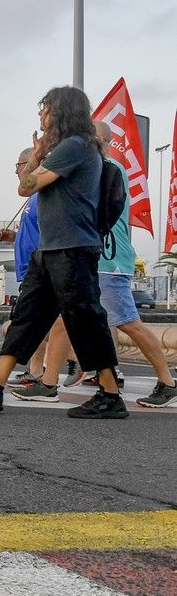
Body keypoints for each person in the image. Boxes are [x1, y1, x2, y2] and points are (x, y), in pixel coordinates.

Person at [0, 86, 125, 418]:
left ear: (61, 112)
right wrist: (40, 153)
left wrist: (38, 154)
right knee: (26, 320)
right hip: (50, 250)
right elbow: (28, 184)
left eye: (45, 110)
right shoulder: (67, 148)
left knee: (85, 321)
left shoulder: (75, 147)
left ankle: (110, 395)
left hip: (72, 250)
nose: (41, 116)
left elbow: (24, 186)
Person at [15, 122, 177, 408]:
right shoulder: (98, 164)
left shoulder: (106, 166)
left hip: (108, 261)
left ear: (100, 140)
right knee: (63, 321)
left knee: (128, 323)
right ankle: (49, 383)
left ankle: (167, 382)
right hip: (96, 257)